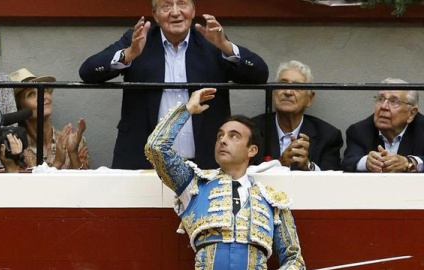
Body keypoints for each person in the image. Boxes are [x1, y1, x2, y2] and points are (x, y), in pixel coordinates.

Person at [79, 0, 269, 169]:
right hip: (142, 161)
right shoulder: (139, 39)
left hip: (205, 162)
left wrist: (226, 47)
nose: (176, 12)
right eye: (166, 6)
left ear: (193, 11)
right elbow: (87, 72)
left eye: (182, 4)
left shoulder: (211, 41)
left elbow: (260, 74)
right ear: (155, 15)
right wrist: (128, 54)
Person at [145, 88, 305, 269]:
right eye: (220, 135)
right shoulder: (193, 185)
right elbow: (156, 149)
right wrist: (187, 109)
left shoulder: (273, 202)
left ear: (252, 150)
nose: (222, 140)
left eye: (233, 136)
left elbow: (294, 259)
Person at [252, 60, 343, 171]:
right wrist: (279, 164)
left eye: (297, 86)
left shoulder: (327, 135)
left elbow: (332, 180)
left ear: (310, 99)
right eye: (283, 84)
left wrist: (308, 166)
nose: (288, 92)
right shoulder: (251, 130)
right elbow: (241, 174)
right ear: (273, 92)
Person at [10, 68, 90, 170]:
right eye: (31, 94)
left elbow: (85, 183)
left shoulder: (73, 141)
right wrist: (57, 163)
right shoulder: (17, 148)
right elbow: (24, 185)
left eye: (44, 91)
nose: (43, 97)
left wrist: (73, 153)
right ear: (19, 107)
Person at [342, 78, 424, 173]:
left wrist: (409, 163)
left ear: (411, 114)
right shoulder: (359, 131)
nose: (383, 107)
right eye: (380, 99)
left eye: (394, 101)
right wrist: (366, 162)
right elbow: (348, 161)